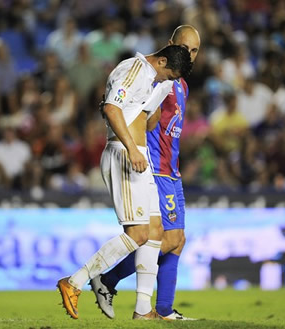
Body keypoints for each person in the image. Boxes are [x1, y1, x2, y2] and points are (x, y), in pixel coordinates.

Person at [57, 44, 192, 320]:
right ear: (162, 59)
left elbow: (147, 122)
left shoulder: (150, 79)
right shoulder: (136, 69)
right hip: (125, 154)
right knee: (138, 234)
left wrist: (157, 96)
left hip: (139, 155)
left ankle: (143, 309)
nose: (168, 80)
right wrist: (131, 148)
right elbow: (111, 107)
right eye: (169, 75)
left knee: (156, 231)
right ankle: (75, 281)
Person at [90, 25, 201, 321]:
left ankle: (162, 308)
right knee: (164, 239)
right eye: (185, 48)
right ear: (170, 47)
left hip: (172, 171)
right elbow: (133, 112)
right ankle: (110, 281)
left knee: (177, 240)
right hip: (155, 167)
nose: (189, 55)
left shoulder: (181, 84)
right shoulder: (156, 80)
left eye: (194, 51)